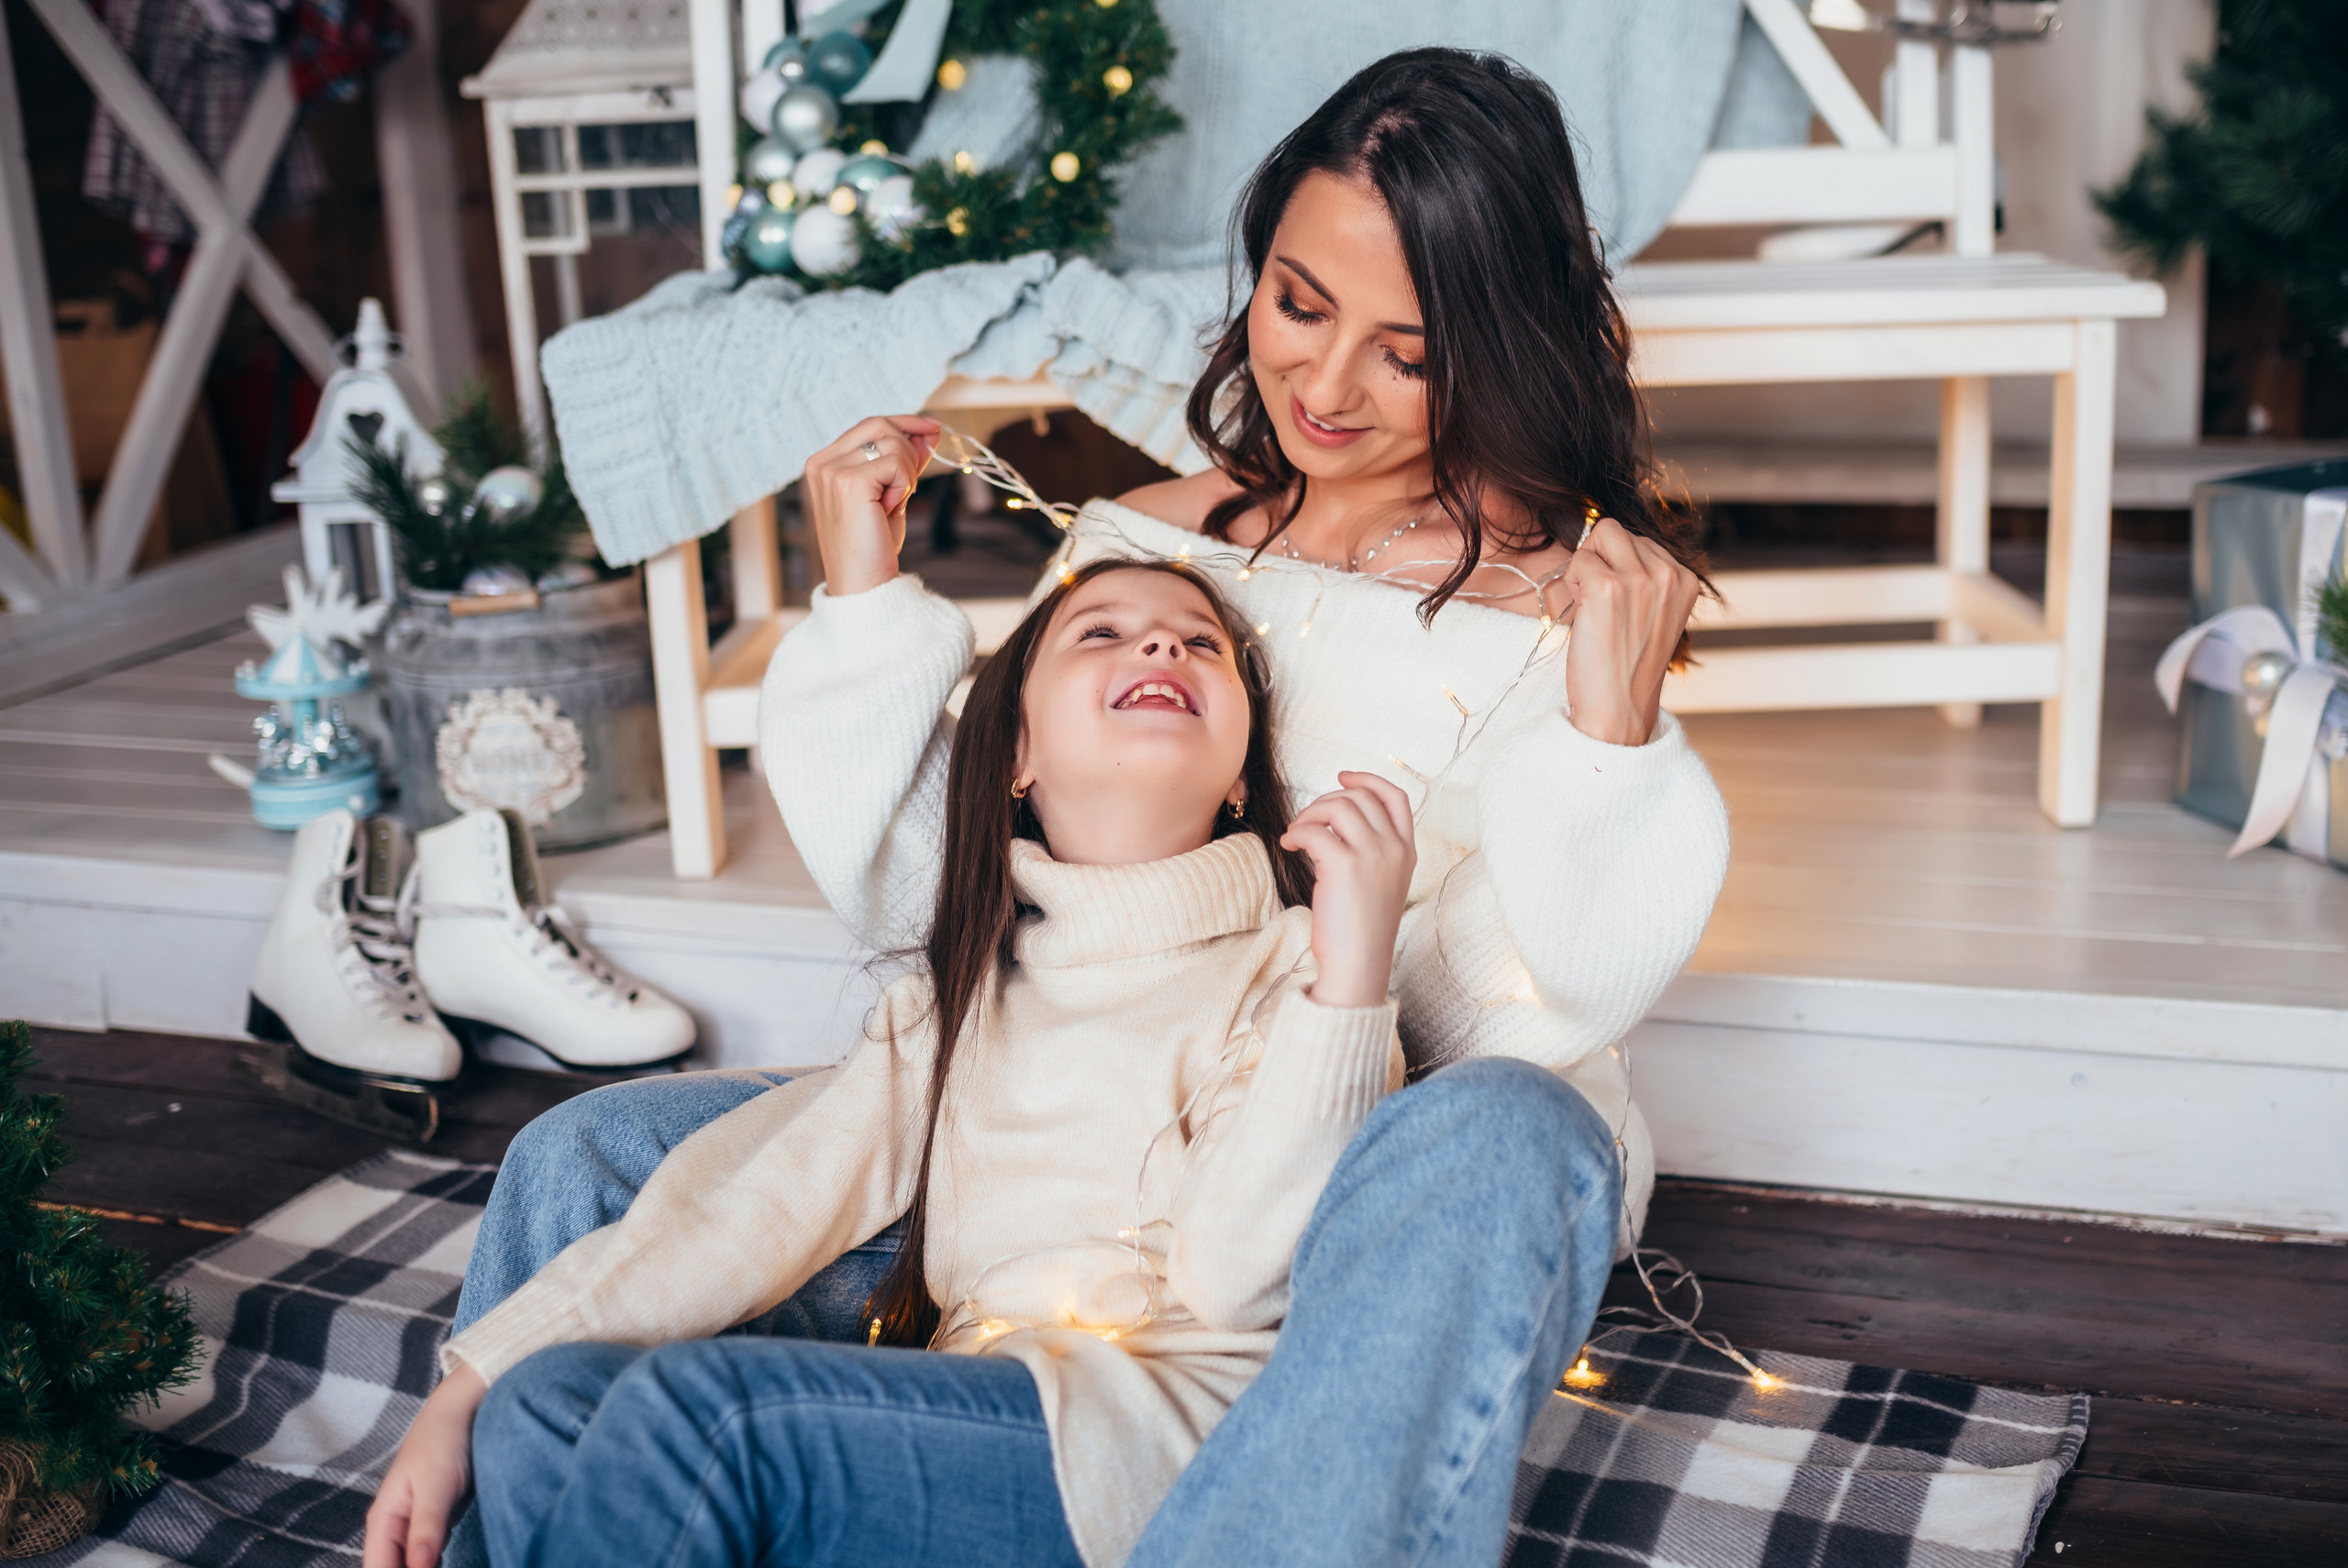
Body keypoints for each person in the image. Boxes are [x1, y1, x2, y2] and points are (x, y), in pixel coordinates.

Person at [423, 43, 1727, 1568]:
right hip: (1060, 1150)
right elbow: (956, 903)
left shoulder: (1559, 621)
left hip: (1311, 1218)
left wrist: (1610, 745)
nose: (1321, 383)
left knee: (1515, 1123)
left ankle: (1213, 1496)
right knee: (585, 1165)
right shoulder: (1151, 539)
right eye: (1299, 304)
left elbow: (1515, 1024)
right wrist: (860, 609)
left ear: (1497, 344)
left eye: (1408, 351)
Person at [365, 558, 1417, 1568]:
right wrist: (468, 1386)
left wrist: (1353, 965)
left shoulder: (1306, 980)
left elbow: (1244, 1281)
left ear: (1240, 774)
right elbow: (749, 1206)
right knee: (547, 1406)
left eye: (1203, 645)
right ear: (1015, 758)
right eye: (1103, 632)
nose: (1160, 642)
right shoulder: (954, 1009)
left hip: (1176, 1454)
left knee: (695, 1413)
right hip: (961, 1428)